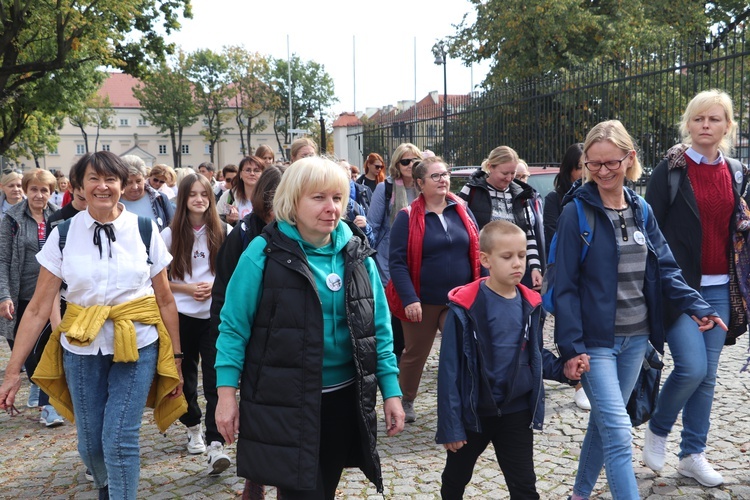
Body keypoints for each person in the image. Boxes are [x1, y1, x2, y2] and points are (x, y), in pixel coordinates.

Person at [554, 120, 726, 500]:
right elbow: (563, 288)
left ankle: (578, 495)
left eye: (610, 163)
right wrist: (571, 347)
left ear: (629, 159)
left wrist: (696, 305)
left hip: (637, 340)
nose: (601, 171)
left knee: (603, 425)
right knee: (618, 432)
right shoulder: (575, 215)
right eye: (593, 163)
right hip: (595, 343)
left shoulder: (641, 209)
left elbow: (665, 267)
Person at [214, 156, 404, 499]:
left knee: (323, 489)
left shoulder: (357, 252)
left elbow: (379, 329)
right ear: (292, 201)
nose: (331, 207)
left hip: (343, 399)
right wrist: (226, 394)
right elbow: (232, 328)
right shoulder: (262, 252)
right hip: (284, 402)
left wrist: (391, 391)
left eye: (337, 197)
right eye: (318, 197)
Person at [0, 151, 186, 500]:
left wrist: (176, 356)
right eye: (94, 179)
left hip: (138, 343)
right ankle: (106, 486)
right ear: (79, 187)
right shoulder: (63, 234)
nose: (103, 186)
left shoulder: (145, 230)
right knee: (90, 442)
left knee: (119, 438)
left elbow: (164, 300)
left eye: (111, 179)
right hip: (81, 347)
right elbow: (40, 306)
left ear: (122, 184)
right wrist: (12, 373)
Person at [642, 89, 747, 487]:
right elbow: (651, 232)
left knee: (708, 376)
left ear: (727, 126)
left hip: (722, 288)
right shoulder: (670, 169)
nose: (706, 126)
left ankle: (692, 455)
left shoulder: (737, 171)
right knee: (691, 367)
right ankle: (659, 427)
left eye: (715, 119)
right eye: (699, 119)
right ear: (688, 123)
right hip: (679, 288)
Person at [437, 220, 576, 499]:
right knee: (455, 479)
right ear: (486, 259)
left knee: (524, 486)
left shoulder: (531, 305)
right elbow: (450, 371)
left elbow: (535, 356)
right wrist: (451, 426)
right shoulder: (464, 308)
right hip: (473, 414)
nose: (517, 264)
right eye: (507, 257)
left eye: (522, 256)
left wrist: (565, 371)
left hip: (516, 412)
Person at [210, 165, 284, 500]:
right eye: (276, 205)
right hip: (252, 342)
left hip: (288, 342)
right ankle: (254, 479)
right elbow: (223, 298)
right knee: (255, 415)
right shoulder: (242, 236)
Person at [389, 156, 482, 423]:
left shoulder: (462, 209)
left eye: (445, 174)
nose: (443, 180)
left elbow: (477, 252)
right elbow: (397, 262)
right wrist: (409, 298)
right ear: (419, 183)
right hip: (422, 300)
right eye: (436, 176)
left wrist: (483, 290)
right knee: (415, 353)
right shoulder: (406, 217)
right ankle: (405, 399)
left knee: (462, 348)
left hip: (459, 300)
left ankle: (463, 399)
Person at [161, 173, 231, 475]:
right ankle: (193, 428)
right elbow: (159, 280)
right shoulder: (168, 234)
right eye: (193, 194)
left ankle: (217, 444)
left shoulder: (225, 230)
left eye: (205, 194)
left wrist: (212, 286)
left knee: (216, 379)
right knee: (185, 379)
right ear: (183, 198)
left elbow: (231, 274)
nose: (200, 199)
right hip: (181, 315)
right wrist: (188, 288)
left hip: (214, 314)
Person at [0, 168, 63, 426]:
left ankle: (50, 406)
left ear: (51, 192)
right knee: (27, 352)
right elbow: (2, 260)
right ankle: (40, 389)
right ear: (26, 191)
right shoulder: (11, 218)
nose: (39, 194)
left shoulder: (58, 217)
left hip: (52, 295)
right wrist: (4, 296)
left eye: (44, 190)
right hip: (21, 296)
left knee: (48, 349)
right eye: (34, 189)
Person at [542, 142, 589, 411]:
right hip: (565, 270)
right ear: (570, 169)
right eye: (580, 167)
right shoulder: (555, 199)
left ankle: (588, 376)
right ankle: (579, 382)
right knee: (570, 326)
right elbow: (551, 235)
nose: (585, 172)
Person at [458, 146, 545, 291]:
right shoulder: (471, 190)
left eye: (513, 173)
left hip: (517, 272)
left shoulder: (521, 194)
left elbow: (529, 235)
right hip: (484, 271)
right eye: (505, 173)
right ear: (490, 167)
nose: (509, 178)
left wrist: (536, 268)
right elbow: (461, 231)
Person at [367, 143, 422, 363]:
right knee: (390, 308)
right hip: (387, 256)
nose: (410, 165)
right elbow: (372, 224)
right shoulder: (386, 188)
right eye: (405, 161)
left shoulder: (423, 186)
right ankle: (389, 355)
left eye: (414, 161)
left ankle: (403, 352)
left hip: (417, 257)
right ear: (397, 165)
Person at [120, 155, 174, 231]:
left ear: (144, 178)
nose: (135, 187)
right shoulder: (113, 202)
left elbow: (173, 228)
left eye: (139, 181)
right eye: (129, 182)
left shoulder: (159, 199)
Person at [216, 156, 265, 226]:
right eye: (248, 170)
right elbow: (216, 220)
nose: (252, 173)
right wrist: (227, 220)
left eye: (256, 170)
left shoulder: (268, 197)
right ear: (240, 174)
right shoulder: (229, 195)